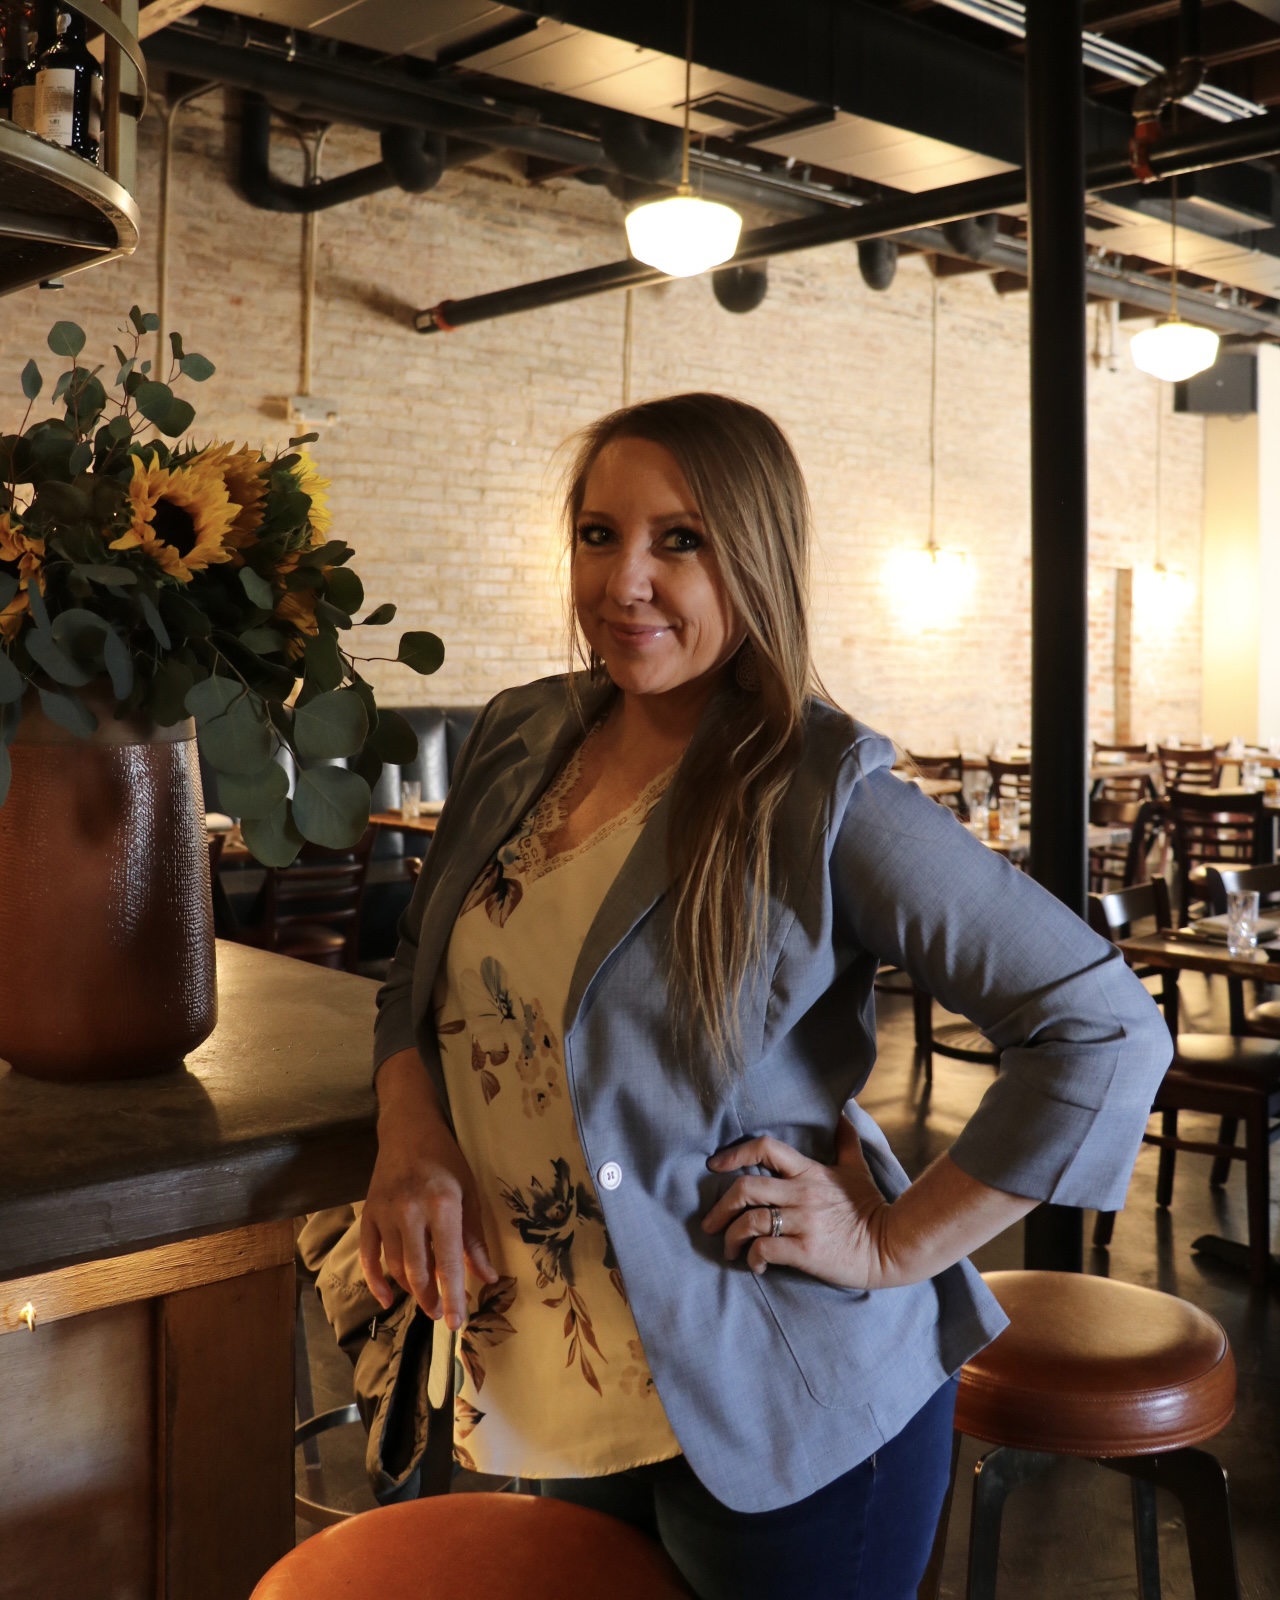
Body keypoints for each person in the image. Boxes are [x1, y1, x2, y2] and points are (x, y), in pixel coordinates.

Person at [361, 392, 1171, 1600]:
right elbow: (416, 976)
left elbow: (1102, 1028)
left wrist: (893, 1241)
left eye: (677, 539)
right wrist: (410, 1134)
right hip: (561, 1376)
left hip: (778, 1396)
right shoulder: (525, 733)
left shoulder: (820, 791)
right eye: (598, 534)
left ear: (756, 555)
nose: (623, 580)